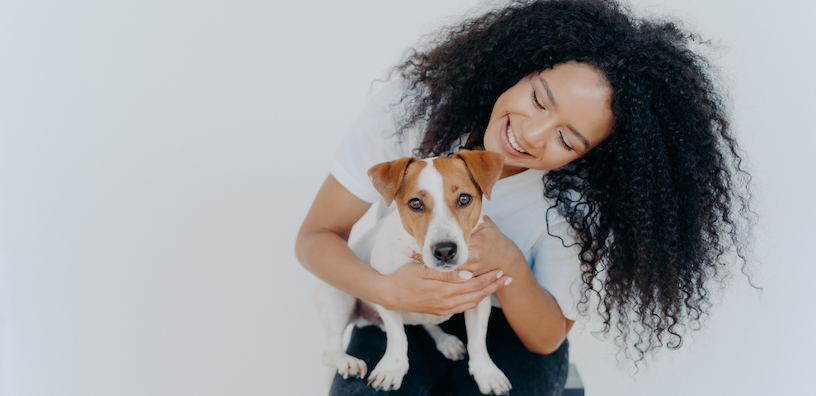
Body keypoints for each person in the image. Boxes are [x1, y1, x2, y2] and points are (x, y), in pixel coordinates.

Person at [295, 0, 754, 394]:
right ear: (522, 64)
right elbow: (316, 236)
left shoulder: (577, 200)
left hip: (509, 320)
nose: (531, 134)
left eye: (567, 139)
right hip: (395, 302)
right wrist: (383, 290)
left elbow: (545, 337)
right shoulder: (412, 109)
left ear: (592, 156)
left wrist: (507, 260)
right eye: (538, 99)